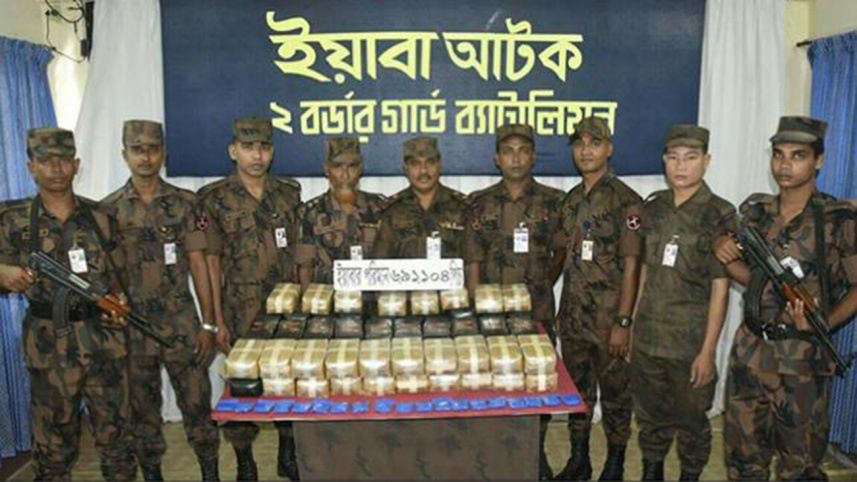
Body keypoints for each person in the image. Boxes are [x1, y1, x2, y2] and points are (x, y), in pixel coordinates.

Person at [714, 116, 857, 481]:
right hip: (749, 353)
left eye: (798, 155)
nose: (784, 165)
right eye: (778, 155)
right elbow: (750, 277)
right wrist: (725, 252)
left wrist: (824, 321)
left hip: (802, 362)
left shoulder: (838, 219)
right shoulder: (755, 211)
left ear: (819, 161)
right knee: (743, 461)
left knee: (800, 467)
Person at [0, 128, 134, 480]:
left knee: (117, 441)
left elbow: (121, 276)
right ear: (31, 167)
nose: (56, 168)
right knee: (53, 449)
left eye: (63, 160)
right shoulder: (11, 219)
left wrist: (121, 303)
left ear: (76, 165)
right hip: (48, 347)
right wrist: (4, 273)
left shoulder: (102, 216)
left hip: (104, 341)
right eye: (45, 161)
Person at [103, 120, 220, 481]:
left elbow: (199, 264)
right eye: (137, 149)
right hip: (133, 329)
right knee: (143, 414)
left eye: (153, 149)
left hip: (183, 325)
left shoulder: (186, 203)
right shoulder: (108, 211)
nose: (146, 156)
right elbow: (105, 276)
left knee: (198, 407)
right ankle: (152, 474)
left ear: (163, 154)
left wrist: (209, 323)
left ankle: (210, 473)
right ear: (125, 155)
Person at [197, 117, 302, 481]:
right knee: (240, 388)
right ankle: (244, 459)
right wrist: (216, 321)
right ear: (233, 150)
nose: (257, 155)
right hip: (238, 309)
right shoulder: (213, 198)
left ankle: (288, 451)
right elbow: (211, 261)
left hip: (284, 309)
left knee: (286, 380)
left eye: (264, 147)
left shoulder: (289, 193)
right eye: (248, 147)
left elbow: (299, 252)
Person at [631, 125, 736, 481]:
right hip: (648, 336)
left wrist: (709, 351)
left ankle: (689, 475)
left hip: (689, 344)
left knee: (692, 421)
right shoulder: (654, 207)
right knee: (649, 417)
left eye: (691, 158)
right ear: (664, 160)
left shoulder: (719, 214)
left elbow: (721, 288)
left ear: (706, 162)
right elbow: (645, 270)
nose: (681, 166)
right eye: (673, 158)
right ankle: (652, 472)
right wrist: (631, 325)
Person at [462, 123, 565, 480]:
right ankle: (493, 452)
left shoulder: (554, 201)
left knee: (537, 384)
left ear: (533, 156)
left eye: (523, 150)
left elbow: (561, 251)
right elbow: (472, 258)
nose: (516, 157)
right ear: (496, 158)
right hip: (492, 315)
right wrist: (475, 308)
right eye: (508, 150)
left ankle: (535, 452)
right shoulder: (479, 202)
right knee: (493, 382)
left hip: (536, 312)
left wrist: (538, 286)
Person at [555, 116, 642, 481]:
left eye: (594, 142)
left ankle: (616, 463)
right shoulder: (571, 200)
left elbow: (633, 265)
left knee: (617, 396)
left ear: (609, 148)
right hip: (574, 319)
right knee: (578, 393)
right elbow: (563, 258)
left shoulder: (627, 202)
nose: (585, 150)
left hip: (609, 323)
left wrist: (624, 322)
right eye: (579, 143)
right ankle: (580, 460)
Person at [295, 137, 385, 287]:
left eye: (352, 166)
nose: (345, 174)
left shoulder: (379, 208)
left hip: (370, 303)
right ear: (327, 169)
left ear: (361, 168)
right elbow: (305, 268)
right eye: (337, 167)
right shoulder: (310, 213)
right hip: (326, 302)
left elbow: (392, 259)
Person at [371, 136, 468, 260]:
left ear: (440, 165)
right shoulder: (392, 211)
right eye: (415, 164)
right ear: (406, 168)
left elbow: (471, 263)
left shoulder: (461, 207)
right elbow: (380, 264)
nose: (423, 171)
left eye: (430, 162)